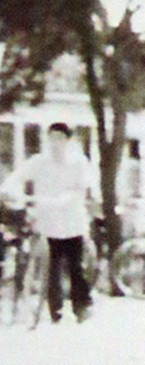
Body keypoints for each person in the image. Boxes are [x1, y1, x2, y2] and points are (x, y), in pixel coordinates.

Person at [0, 123, 98, 323]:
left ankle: (81, 305)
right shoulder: (39, 162)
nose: (55, 143)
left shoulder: (78, 162)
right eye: (52, 138)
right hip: (48, 223)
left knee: (75, 266)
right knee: (51, 267)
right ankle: (55, 309)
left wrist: (62, 200)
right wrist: (7, 190)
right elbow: (18, 176)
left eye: (60, 138)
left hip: (72, 223)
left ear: (68, 140)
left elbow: (80, 188)